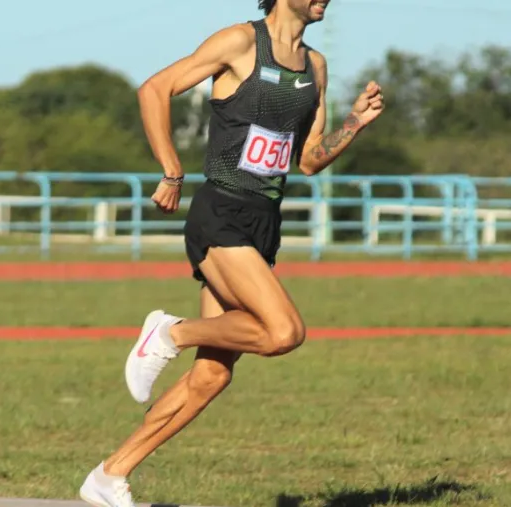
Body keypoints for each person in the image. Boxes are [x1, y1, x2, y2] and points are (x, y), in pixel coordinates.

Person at [79, 0, 384, 505]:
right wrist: (172, 171)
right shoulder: (239, 42)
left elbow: (307, 160)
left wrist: (354, 123)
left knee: (211, 376)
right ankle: (168, 332)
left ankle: (110, 474)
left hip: (264, 221)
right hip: (220, 210)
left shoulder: (316, 66)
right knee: (284, 332)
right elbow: (155, 88)